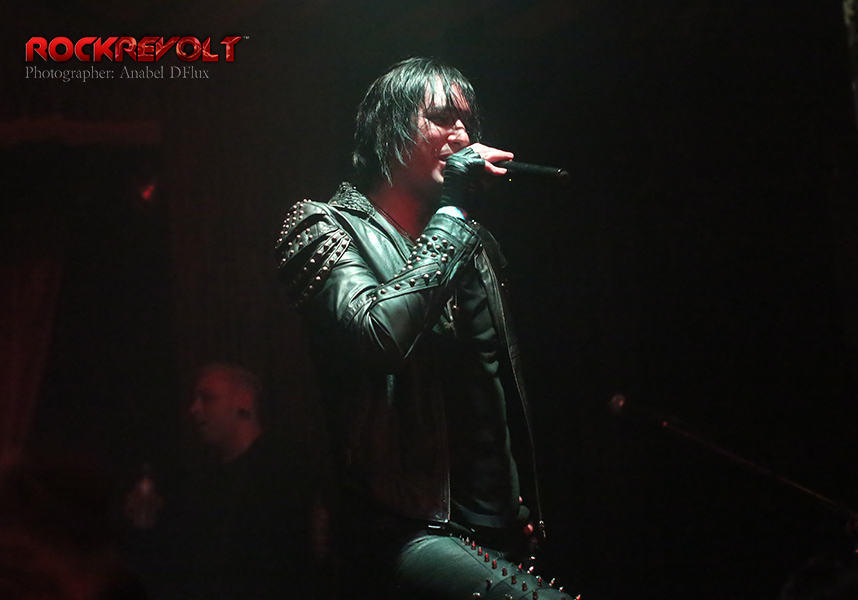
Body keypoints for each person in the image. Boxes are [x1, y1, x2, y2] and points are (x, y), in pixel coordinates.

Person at [276, 57, 577, 599]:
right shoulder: (322, 225)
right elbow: (377, 337)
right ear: (387, 130)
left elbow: (491, 388)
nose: (460, 133)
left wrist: (510, 504)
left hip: (495, 532)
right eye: (440, 117)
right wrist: (454, 214)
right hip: (399, 528)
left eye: (467, 121)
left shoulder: (473, 246)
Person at [157, 363, 323, 600]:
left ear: (245, 400)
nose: (194, 409)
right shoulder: (205, 481)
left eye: (208, 398)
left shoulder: (284, 469)